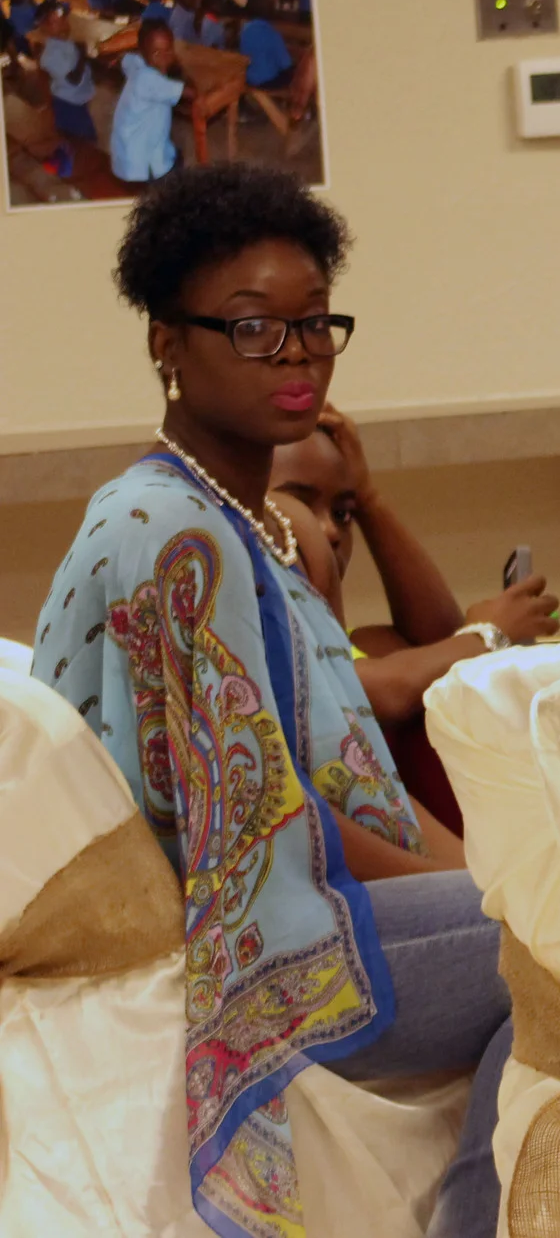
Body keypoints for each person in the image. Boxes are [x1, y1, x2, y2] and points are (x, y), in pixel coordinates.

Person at [32, 163, 510, 1238]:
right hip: (232, 935)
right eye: (253, 328)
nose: (296, 353)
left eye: (313, 323)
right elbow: (263, 818)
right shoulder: (175, 532)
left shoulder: (254, 526)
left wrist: (503, 866)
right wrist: (503, 890)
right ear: (168, 343)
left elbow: (350, 776)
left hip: (303, 890)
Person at [271, 406, 560, 827]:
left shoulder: (367, 647)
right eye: (298, 503)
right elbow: (383, 690)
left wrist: (368, 498)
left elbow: (437, 641)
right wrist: (487, 633)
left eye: (343, 513)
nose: (329, 530)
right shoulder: (267, 644)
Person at [108, 20, 189, 182]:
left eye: (169, 49)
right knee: (174, 175)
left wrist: (116, 60)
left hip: (125, 153)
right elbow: (190, 93)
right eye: (158, 52)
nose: (166, 56)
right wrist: (179, 66)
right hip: (143, 164)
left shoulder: (136, 62)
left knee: (170, 145)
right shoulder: (150, 80)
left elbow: (122, 59)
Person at [33, 0, 98, 146]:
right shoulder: (50, 55)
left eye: (63, 19)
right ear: (43, 27)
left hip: (77, 100)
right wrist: (82, 53)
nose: (64, 23)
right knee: (83, 142)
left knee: (81, 140)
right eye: (56, 21)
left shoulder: (64, 42)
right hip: (68, 104)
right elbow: (74, 79)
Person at [238, 0, 295, 90]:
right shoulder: (271, 33)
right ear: (270, 11)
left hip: (249, 78)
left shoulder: (245, 30)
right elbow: (286, 64)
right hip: (267, 82)